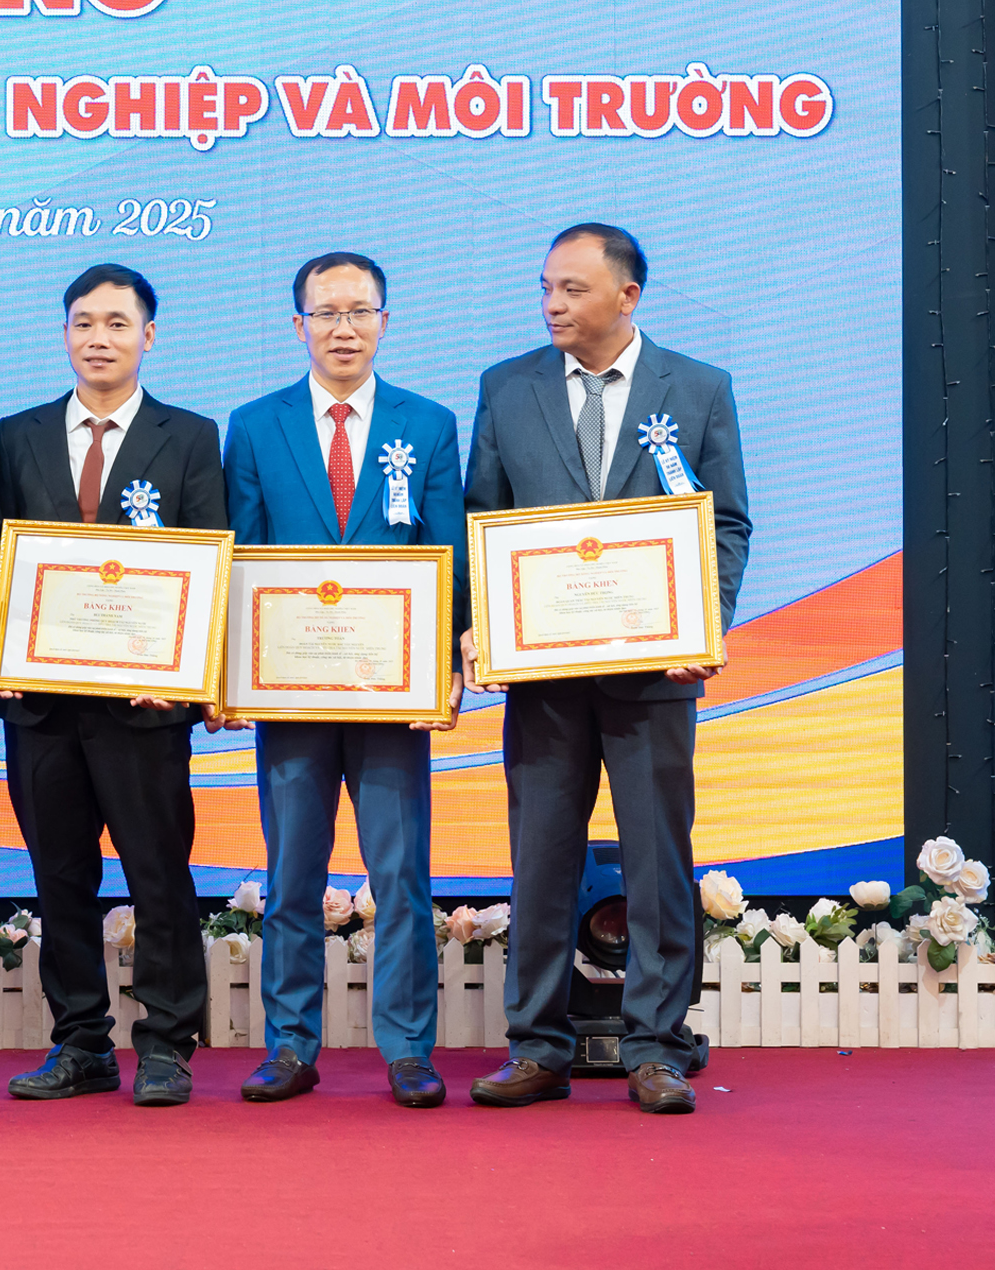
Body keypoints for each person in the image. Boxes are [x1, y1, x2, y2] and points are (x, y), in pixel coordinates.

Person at [462, 222, 750, 1115]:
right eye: (546, 288)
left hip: (656, 676)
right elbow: (482, 521)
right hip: (543, 680)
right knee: (540, 860)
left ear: (627, 296)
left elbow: (726, 523)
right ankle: (537, 1047)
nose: (552, 304)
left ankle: (656, 1048)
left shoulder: (697, 389)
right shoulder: (506, 387)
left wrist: (705, 625)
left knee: (658, 860)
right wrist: (481, 628)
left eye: (572, 289)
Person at [0, 264, 229, 1109]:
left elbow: (209, 558)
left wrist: (187, 675)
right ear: (64, 334)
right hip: (39, 705)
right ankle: (81, 1041)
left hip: (144, 708)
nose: (99, 338)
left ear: (148, 336)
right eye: (84, 322)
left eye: (118, 323)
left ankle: (167, 1045)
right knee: (60, 879)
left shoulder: (189, 437)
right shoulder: (19, 435)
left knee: (159, 876)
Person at [223, 251, 466, 1109]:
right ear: (298, 326)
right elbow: (240, 557)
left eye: (360, 312)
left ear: (385, 323)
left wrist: (443, 665)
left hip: (391, 698)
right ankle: (290, 1045)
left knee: (399, 877)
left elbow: (447, 554)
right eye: (326, 314)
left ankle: (408, 1050)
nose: (344, 329)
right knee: (292, 876)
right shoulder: (255, 426)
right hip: (289, 696)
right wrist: (231, 672)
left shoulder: (427, 424)